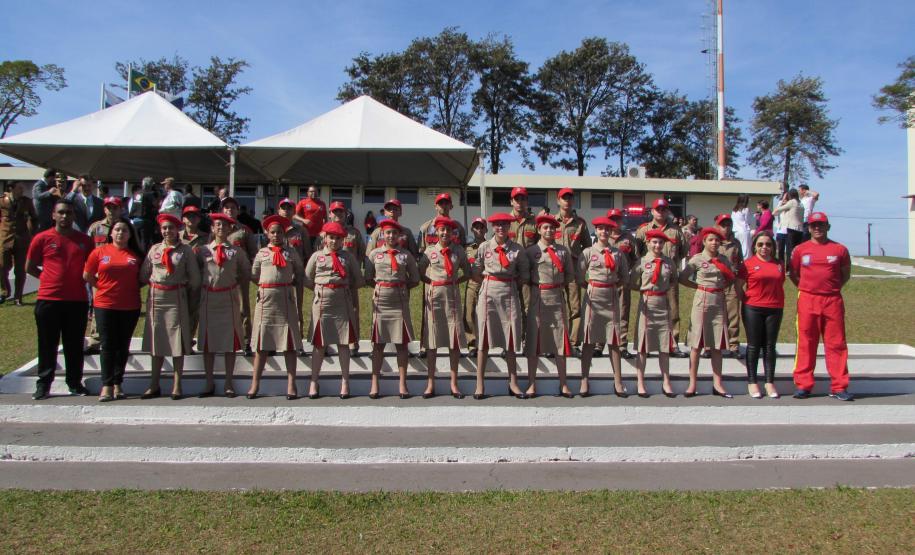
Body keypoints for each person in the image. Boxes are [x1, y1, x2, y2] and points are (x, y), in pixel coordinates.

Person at [25, 199, 94, 400]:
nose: (65, 216)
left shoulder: (84, 241)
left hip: (77, 300)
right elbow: (29, 266)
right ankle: (44, 384)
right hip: (49, 299)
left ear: (74, 216)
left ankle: (74, 383)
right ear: (53, 215)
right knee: (47, 344)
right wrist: (46, 278)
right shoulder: (42, 238)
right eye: (61, 212)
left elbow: (91, 268)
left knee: (74, 345)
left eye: (69, 213)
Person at [789, 212, 853, 401]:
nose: (817, 228)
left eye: (821, 225)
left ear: (828, 227)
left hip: (832, 300)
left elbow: (845, 274)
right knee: (806, 342)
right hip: (808, 300)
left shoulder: (839, 249)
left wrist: (830, 289)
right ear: (808, 228)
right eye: (813, 225)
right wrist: (808, 288)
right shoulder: (800, 250)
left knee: (836, 344)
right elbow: (793, 273)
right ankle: (803, 384)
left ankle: (839, 386)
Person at [140, 213, 201, 400]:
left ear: (178, 230)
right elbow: (144, 274)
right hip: (156, 299)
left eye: (171, 228)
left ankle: (177, 384)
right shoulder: (154, 249)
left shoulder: (185, 251)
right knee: (156, 342)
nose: (168, 231)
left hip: (176, 297)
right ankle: (154, 384)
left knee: (177, 342)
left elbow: (195, 279)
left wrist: (186, 297)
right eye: (165, 228)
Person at [82, 220, 143, 401]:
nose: (120, 233)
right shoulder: (99, 252)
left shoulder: (136, 255)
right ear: (111, 233)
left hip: (130, 306)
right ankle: (106, 385)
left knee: (122, 346)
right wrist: (101, 288)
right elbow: (88, 275)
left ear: (130, 235)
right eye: (117, 229)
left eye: (124, 230)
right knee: (108, 345)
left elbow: (143, 278)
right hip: (105, 305)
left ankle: (118, 383)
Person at [471, 212, 530, 399]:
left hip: (509, 293)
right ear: (493, 227)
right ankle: (480, 384)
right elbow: (476, 271)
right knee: (483, 340)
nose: (501, 228)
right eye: (497, 225)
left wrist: (510, 283)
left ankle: (513, 383)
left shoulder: (517, 249)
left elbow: (524, 275)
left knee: (511, 339)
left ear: (509, 227)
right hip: (488, 292)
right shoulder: (484, 247)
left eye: (504, 225)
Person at [246, 215, 305, 400]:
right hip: (266, 301)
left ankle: (291, 384)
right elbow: (255, 275)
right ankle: (255, 384)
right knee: (261, 346)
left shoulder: (291, 252)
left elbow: (299, 272)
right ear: (266, 233)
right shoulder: (262, 253)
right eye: (272, 232)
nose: (276, 235)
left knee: (289, 345)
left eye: (279, 232)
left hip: (285, 300)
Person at [305, 222, 364, 399]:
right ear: (325, 238)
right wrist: (322, 289)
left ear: (343, 240)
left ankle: (345, 381)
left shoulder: (348, 257)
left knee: (343, 343)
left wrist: (342, 287)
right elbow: (307, 279)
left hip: (342, 302)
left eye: (338, 238)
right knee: (319, 343)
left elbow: (358, 279)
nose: (334, 241)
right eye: (331, 237)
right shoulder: (316, 256)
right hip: (322, 302)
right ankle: (314, 381)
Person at [364, 219, 420, 398]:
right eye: (387, 233)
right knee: (378, 344)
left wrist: (399, 287)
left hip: (399, 301)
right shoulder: (374, 255)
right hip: (381, 302)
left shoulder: (406, 255)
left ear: (399, 236)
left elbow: (415, 279)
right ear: (382, 235)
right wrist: (383, 287)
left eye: (394, 233)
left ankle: (402, 383)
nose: (391, 236)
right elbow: (368, 277)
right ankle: (374, 383)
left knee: (401, 345)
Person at [679, 227, 736, 398]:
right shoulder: (697, 260)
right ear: (704, 241)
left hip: (718, 302)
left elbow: (729, 278)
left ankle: (717, 383)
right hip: (702, 301)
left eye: (717, 240)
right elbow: (682, 278)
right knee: (696, 344)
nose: (714, 243)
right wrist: (698, 287)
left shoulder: (724, 260)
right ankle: (692, 383)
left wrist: (719, 288)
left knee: (717, 344)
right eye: (711, 240)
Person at [523, 213, 576, 398]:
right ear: (539, 230)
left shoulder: (563, 251)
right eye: (545, 227)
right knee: (533, 343)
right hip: (538, 298)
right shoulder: (530, 252)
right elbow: (525, 274)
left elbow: (570, 274)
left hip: (556, 298)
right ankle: (531, 384)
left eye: (552, 228)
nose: (549, 230)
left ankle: (564, 384)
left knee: (560, 342)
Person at [418, 216, 471, 398]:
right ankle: (430, 383)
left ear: (453, 233)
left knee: (453, 341)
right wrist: (431, 283)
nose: (445, 233)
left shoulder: (458, 251)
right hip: (435, 298)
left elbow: (468, 272)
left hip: (452, 297)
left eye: (448, 230)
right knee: (432, 342)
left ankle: (454, 383)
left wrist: (456, 281)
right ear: (436, 232)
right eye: (442, 230)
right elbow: (419, 272)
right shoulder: (429, 252)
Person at [196, 213, 248, 398]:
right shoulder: (202, 251)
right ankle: (209, 381)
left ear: (230, 229)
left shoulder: (236, 252)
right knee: (208, 343)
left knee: (229, 343)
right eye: (217, 225)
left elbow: (245, 274)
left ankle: (228, 382)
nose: (221, 228)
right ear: (212, 228)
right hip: (209, 299)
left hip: (228, 298)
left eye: (225, 225)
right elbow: (195, 275)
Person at [578, 216, 630, 397]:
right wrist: (592, 287)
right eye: (600, 229)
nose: (604, 232)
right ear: (596, 231)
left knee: (614, 341)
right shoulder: (588, 252)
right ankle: (584, 379)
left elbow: (624, 277)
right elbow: (580, 276)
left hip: (611, 298)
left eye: (607, 229)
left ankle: (618, 381)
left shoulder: (617, 253)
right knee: (589, 340)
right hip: (594, 298)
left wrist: (612, 287)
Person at [634, 198, 687, 357]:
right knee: (647, 312)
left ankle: (673, 343)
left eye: (664, 209)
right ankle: (647, 344)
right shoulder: (644, 230)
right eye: (658, 209)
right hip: (649, 277)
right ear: (652, 211)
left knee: (672, 310)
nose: (661, 212)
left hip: (668, 275)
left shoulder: (675, 230)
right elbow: (638, 251)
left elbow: (683, 251)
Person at [736, 231, 785, 399]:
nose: (765, 247)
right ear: (754, 247)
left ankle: (769, 382)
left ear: (773, 247)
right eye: (760, 244)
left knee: (770, 346)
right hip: (753, 308)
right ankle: (752, 382)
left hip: (775, 308)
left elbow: (780, 283)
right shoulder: (748, 264)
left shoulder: (779, 264)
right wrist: (748, 301)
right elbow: (738, 286)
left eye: (768, 244)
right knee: (753, 345)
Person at [630, 229, 677, 398]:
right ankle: (640, 382)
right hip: (647, 304)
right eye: (654, 242)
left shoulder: (669, 263)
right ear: (648, 243)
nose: (657, 245)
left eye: (661, 243)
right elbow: (632, 282)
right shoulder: (642, 262)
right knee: (643, 346)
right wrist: (644, 291)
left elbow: (672, 281)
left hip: (663, 304)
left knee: (664, 346)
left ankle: (666, 381)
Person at [554, 188, 591, 356]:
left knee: (575, 308)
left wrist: (581, 264)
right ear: (558, 201)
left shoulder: (580, 223)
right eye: (564, 198)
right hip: (554, 271)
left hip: (574, 271)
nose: (567, 201)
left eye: (570, 198)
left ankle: (574, 343)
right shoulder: (551, 222)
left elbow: (588, 248)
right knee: (555, 307)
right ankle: (554, 342)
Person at [221, 196, 258, 355]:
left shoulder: (244, 230)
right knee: (222, 308)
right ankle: (223, 339)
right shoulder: (216, 229)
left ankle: (246, 340)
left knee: (243, 308)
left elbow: (253, 253)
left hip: (240, 275)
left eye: (233, 207)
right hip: (221, 275)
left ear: (237, 211)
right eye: (226, 207)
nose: (230, 210)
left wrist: (251, 272)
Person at [328, 201, 365, 354]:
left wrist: (356, 270)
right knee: (328, 311)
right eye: (335, 212)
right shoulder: (323, 233)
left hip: (349, 279)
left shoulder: (354, 233)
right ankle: (328, 342)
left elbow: (362, 253)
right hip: (331, 280)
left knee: (353, 310)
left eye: (341, 212)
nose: (338, 215)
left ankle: (353, 342)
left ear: (345, 214)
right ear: (330, 214)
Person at [606, 208, 638, 359]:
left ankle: (622, 344)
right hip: (605, 281)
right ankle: (599, 345)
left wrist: (629, 273)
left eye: (617, 219)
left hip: (623, 281)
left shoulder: (629, 239)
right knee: (603, 313)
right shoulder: (603, 237)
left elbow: (636, 259)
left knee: (623, 312)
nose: (615, 222)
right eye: (612, 219)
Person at [507, 187, 538, 338]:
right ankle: (511, 339)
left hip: (529, 272)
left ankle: (528, 339)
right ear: (511, 201)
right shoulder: (505, 222)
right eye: (517, 199)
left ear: (527, 202)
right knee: (510, 306)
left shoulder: (534, 222)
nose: (520, 203)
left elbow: (541, 246)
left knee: (528, 306)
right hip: (510, 271)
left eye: (523, 199)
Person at [0, 182, 38, 305]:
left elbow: (34, 218)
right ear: (11, 189)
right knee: (1, 266)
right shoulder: (2, 201)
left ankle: (18, 297)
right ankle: (5, 291)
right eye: (19, 188)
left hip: (22, 239)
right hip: (5, 238)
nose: (22, 190)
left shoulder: (27, 202)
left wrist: (31, 232)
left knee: (20, 270)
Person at [715, 214, 745, 358]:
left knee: (733, 315)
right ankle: (711, 345)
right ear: (717, 226)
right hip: (716, 282)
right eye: (723, 225)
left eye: (728, 225)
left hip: (731, 283)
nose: (726, 228)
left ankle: (733, 345)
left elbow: (740, 261)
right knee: (713, 315)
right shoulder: (713, 242)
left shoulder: (736, 243)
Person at [462, 218, 487, 357]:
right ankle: (472, 344)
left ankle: (484, 344)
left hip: (486, 283)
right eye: (476, 227)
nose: (479, 230)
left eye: (482, 227)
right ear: (472, 230)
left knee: (485, 315)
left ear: (486, 230)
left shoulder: (490, 246)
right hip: (472, 283)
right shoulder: (467, 248)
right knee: (469, 314)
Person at [772, 189, 804, 273]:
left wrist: (782, 201)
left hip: (792, 228)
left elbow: (775, 212)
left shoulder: (792, 202)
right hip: (800, 229)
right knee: (797, 250)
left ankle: (789, 269)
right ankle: (796, 268)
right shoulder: (800, 203)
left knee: (790, 250)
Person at [277, 198, 312, 266]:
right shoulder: (272, 231)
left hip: (296, 271)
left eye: (289, 209)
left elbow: (308, 254)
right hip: (278, 269)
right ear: (279, 211)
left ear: (294, 212)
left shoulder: (302, 230)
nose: (286, 211)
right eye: (283, 208)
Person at [294, 185, 326, 250]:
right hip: (306, 234)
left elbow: (325, 219)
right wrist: (303, 220)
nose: (313, 193)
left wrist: (325, 230)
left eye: (315, 191)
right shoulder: (302, 202)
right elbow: (294, 215)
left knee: (318, 252)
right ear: (308, 193)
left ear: (318, 193)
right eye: (311, 191)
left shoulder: (322, 203)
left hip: (319, 235)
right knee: (307, 254)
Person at [731, 194, 752, 258]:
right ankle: (746, 263)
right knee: (746, 249)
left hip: (736, 231)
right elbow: (748, 222)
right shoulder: (746, 209)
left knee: (738, 248)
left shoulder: (734, 210)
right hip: (744, 231)